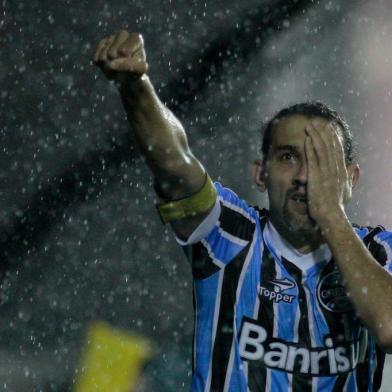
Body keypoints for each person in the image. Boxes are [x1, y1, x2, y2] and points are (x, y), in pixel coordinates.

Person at [93, 30, 392, 391]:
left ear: (350, 177)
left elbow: (389, 326)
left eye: (320, 161)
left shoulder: (380, 251)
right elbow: (174, 162)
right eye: (288, 157)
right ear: (260, 174)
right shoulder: (228, 235)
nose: (303, 177)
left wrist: (330, 215)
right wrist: (135, 85)